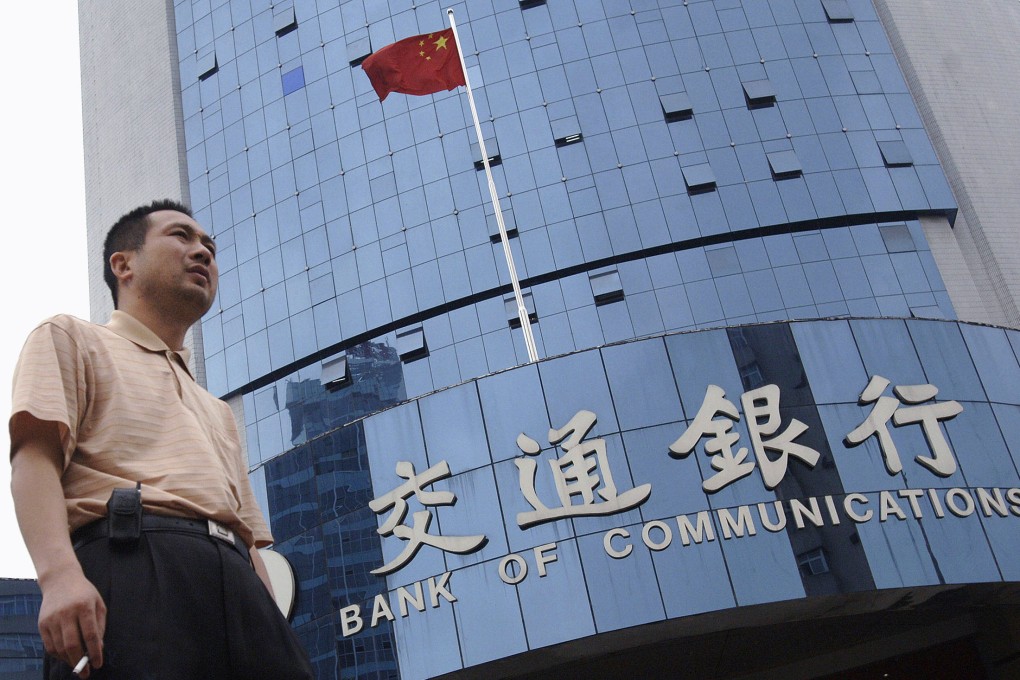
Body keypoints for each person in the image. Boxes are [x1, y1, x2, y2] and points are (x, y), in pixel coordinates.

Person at [9, 199, 315, 679]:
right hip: (133, 565)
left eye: (209, 245)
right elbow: (35, 459)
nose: (204, 252)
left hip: (238, 586)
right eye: (181, 236)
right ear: (123, 265)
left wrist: (273, 627)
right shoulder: (70, 337)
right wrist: (58, 576)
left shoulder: (217, 410)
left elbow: (246, 536)